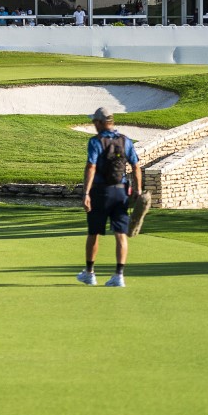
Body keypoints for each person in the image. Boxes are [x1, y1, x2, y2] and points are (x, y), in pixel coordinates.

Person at [77, 108, 141, 288]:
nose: (93, 125)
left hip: (100, 192)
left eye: (94, 122)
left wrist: (86, 193)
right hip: (120, 193)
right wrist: (138, 190)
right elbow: (136, 166)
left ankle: (89, 274)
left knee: (94, 232)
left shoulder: (96, 141)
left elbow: (91, 166)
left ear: (99, 123)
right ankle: (119, 276)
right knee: (120, 234)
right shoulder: (125, 141)